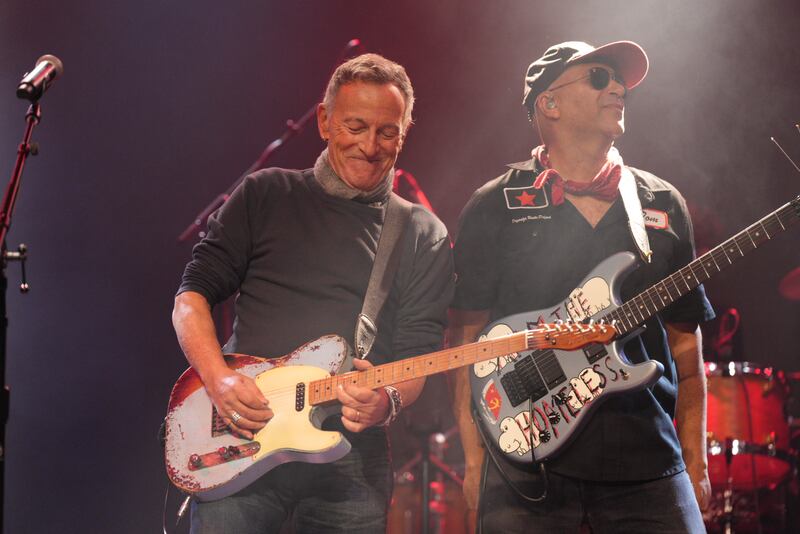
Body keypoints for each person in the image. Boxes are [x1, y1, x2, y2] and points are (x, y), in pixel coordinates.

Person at [172, 53, 454, 534]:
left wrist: (387, 399)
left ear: (404, 133)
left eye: (387, 132)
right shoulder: (265, 194)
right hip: (242, 436)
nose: (369, 146)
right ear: (324, 121)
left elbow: (418, 352)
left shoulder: (423, 233)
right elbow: (191, 298)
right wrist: (218, 380)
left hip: (350, 463)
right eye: (355, 126)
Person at [449, 41, 715, 532]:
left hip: (649, 465)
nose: (617, 88)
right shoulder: (494, 205)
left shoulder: (661, 203)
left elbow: (685, 343)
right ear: (548, 103)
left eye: (619, 81)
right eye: (599, 77)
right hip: (526, 472)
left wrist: (695, 457)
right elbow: (464, 342)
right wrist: (472, 459)